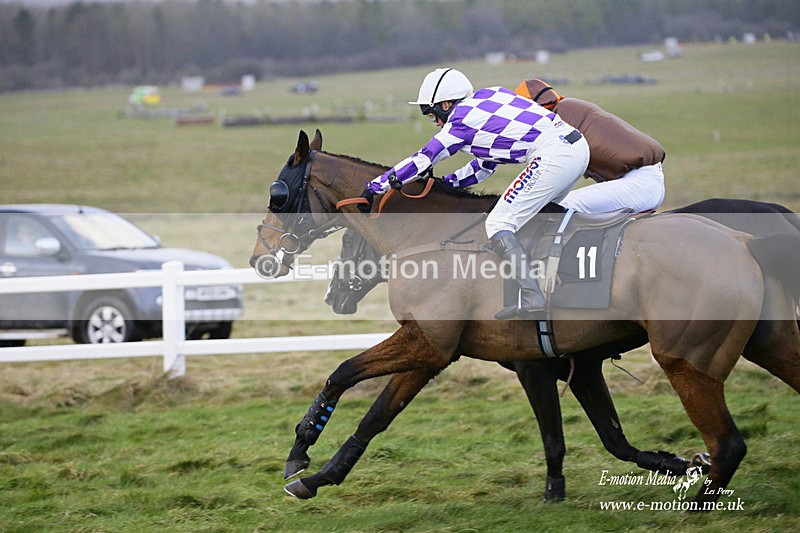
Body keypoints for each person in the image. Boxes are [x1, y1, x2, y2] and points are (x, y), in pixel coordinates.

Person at [359, 68, 590, 320]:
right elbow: (484, 166)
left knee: (499, 222)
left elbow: (424, 158)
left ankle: (533, 296)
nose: (436, 122)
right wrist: (447, 182)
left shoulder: (460, 120)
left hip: (554, 156)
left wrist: (376, 186)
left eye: (432, 113)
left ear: (446, 104)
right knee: (537, 219)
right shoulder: (490, 95)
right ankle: (555, 282)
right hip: (577, 147)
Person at [514, 78, 665, 213]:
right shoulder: (570, 105)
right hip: (647, 181)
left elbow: (552, 173)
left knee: (555, 208)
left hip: (637, 186)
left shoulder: (556, 121)